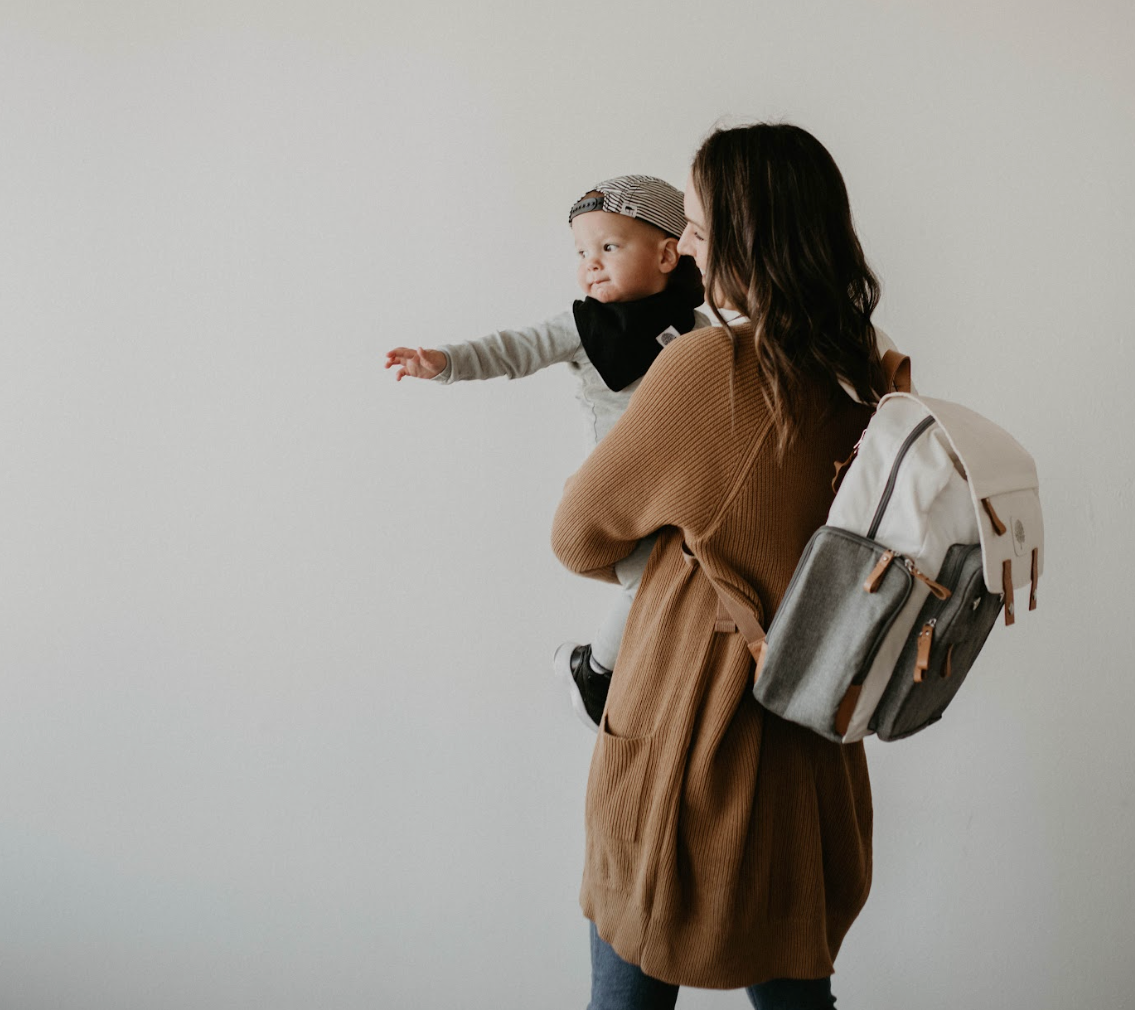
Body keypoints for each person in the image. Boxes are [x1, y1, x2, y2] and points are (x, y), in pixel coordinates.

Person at [551, 123, 901, 1008]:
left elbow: (578, 535)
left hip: (688, 726)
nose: (689, 246)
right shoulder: (871, 371)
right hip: (809, 734)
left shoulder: (712, 368)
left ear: (751, 235)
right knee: (796, 992)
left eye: (702, 224)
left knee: (626, 993)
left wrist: (673, 538)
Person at [384, 176, 709, 730]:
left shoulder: (697, 329)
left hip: (676, 487)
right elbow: (515, 348)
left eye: (609, 247)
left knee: (689, 580)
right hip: (616, 489)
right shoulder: (582, 326)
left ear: (667, 254)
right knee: (648, 580)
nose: (592, 264)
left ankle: (654, 679)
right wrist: (446, 361)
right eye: (582, 252)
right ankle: (597, 672)